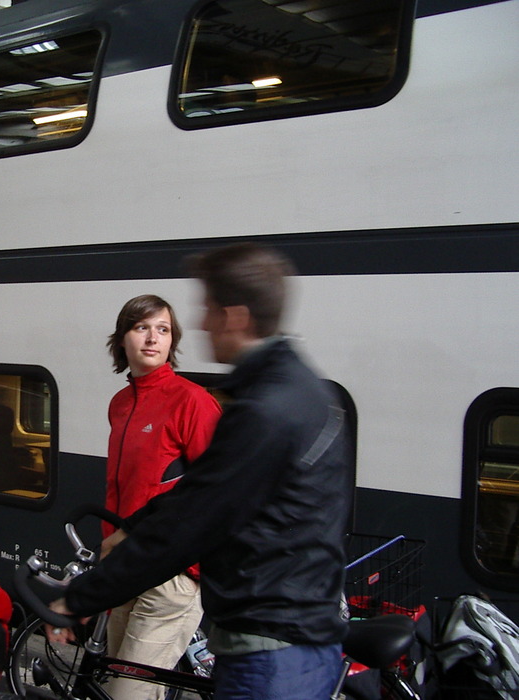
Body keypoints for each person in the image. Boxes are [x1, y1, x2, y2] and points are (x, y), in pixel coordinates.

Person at [54, 244, 352, 699]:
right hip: (289, 639)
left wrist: (80, 598)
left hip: (269, 651)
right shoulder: (297, 389)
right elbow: (203, 488)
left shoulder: (263, 409)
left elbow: (192, 519)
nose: (201, 324)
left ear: (234, 316)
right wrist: (130, 527)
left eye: (207, 310)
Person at [100, 294, 222, 700]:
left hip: (173, 576)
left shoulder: (193, 402)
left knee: (128, 694)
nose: (153, 338)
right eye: (141, 328)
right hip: (125, 565)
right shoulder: (120, 404)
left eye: (163, 330)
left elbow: (215, 490)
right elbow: (121, 489)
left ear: (172, 341)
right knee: (109, 676)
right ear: (122, 340)